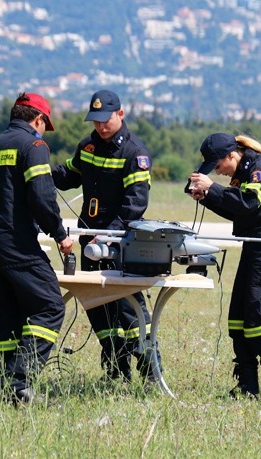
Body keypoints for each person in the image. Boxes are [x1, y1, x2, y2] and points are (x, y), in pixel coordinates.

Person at [0, 92, 73, 404]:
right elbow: (42, 197)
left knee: (7, 318)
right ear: (38, 120)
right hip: (17, 247)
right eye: (44, 125)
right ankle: (21, 384)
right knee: (50, 307)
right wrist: (59, 234)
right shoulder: (34, 146)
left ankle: (2, 385)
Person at [52, 89, 158, 384]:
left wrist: (108, 235)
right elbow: (71, 174)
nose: (100, 126)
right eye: (95, 121)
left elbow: (136, 202)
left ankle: (150, 369)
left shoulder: (134, 152)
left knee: (127, 307)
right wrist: (40, 175)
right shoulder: (87, 146)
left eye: (105, 120)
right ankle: (115, 367)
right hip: (90, 243)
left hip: (119, 244)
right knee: (97, 306)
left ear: (120, 115)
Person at [187, 132, 261, 398]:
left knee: (254, 318)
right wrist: (206, 196)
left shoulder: (260, 168)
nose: (218, 173)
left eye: (219, 167)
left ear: (232, 155)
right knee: (237, 320)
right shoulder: (241, 171)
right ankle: (247, 385)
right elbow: (236, 211)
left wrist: (214, 188)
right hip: (252, 246)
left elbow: (249, 202)